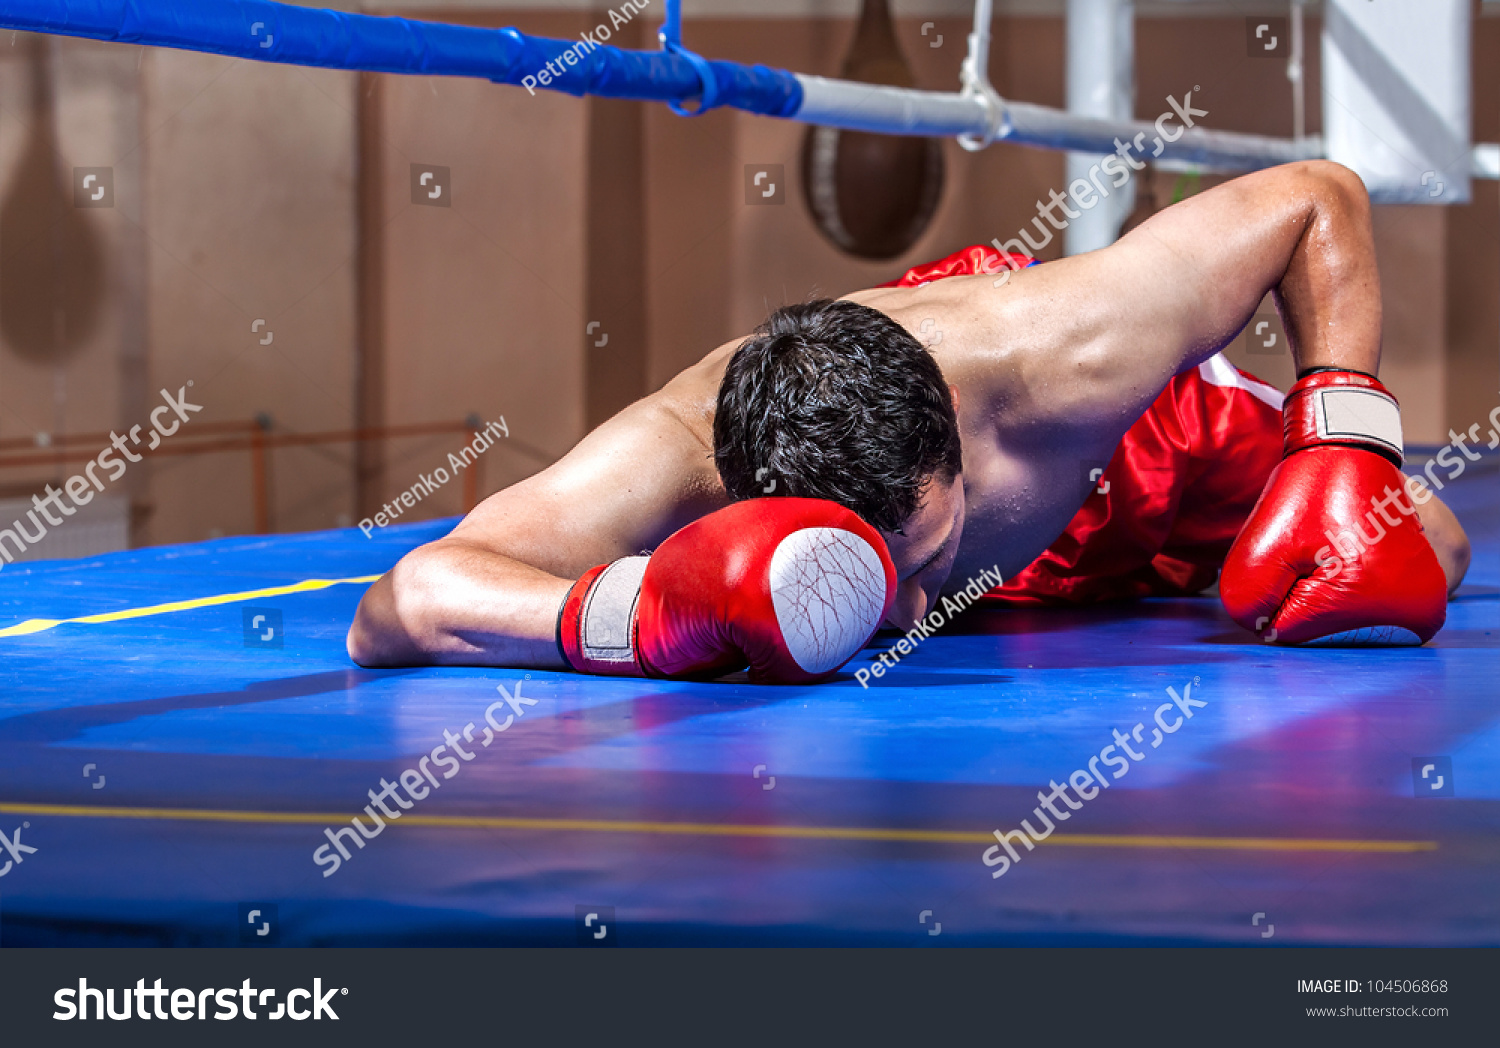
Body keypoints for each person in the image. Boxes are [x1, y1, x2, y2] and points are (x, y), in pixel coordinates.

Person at [347, 161, 1471, 679]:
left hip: (1132, 457)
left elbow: (1317, 197)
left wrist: (1344, 439)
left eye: (925, 552)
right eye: (871, 569)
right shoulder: (679, 449)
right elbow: (403, 602)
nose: (919, 604)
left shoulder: (1072, 344)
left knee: (1426, 546)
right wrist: (630, 621)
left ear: (957, 441)